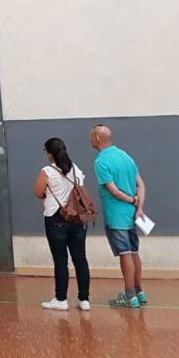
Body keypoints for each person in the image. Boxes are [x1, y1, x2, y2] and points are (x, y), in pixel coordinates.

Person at [90, 124, 146, 308]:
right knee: (134, 252)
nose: (89, 139)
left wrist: (131, 201)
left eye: (91, 136)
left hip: (117, 215)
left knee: (125, 254)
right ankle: (139, 292)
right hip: (131, 215)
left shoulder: (101, 161)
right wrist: (139, 206)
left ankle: (129, 296)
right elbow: (141, 184)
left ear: (97, 138)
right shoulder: (125, 156)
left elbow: (113, 191)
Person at [33, 137, 90, 311]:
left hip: (55, 218)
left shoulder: (47, 171)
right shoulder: (76, 169)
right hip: (77, 219)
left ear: (49, 153)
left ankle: (61, 299)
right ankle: (84, 300)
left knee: (60, 260)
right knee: (80, 259)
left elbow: (37, 192)